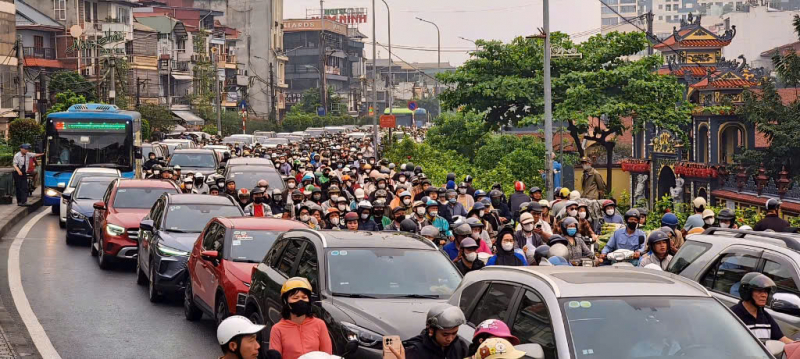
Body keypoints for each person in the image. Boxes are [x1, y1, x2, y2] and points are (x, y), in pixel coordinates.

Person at [269, 277, 333, 359]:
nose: (300, 300)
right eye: (295, 298)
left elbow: (327, 355)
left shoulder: (319, 324)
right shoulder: (277, 329)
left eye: (304, 297)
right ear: (285, 301)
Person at [730, 272, 794, 344]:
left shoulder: (765, 316)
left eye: (766, 291)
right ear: (747, 292)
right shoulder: (733, 315)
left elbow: (781, 339)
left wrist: (796, 346)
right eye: (759, 291)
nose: (764, 295)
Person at [405, 304, 469, 359]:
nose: (450, 339)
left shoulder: (460, 346)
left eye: (454, 333)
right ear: (431, 331)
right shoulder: (416, 351)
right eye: (445, 334)